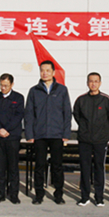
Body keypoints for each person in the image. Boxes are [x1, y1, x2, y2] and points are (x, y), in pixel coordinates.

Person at [24, 60, 72, 205]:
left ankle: (58, 194)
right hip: (39, 135)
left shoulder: (62, 90)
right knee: (39, 165)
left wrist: (66, 134)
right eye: (42, 70)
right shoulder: (34, 91)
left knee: (57, 166)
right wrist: (29, 134)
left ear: (53, 72)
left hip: (57, 134)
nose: (44, 73)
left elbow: (67, 113)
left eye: (47, 70)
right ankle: (39, 194)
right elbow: (29, 114)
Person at [73, 72, 109, 207]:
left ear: (100, 83)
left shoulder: (106, 100)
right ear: (87, 83)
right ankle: (84, 197)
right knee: (85, 168)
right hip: (84, 139)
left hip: (100, 140)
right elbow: (77, 116)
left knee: (99, 167)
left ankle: (99, 197)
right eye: (91, 81)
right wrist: (84, 128)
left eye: (96, 81)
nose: (93, 84)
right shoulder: (81, 100)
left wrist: (103, 131)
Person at [0, 73, 24, 204]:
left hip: (12, 136)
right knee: (0, 166)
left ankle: (13, 193)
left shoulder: (18, 98)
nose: (3, 88)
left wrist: (7, 129)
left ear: (12, 85)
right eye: (1, 85)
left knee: (13, 166)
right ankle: (0, 193)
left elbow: (18, 116)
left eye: (6, 85)